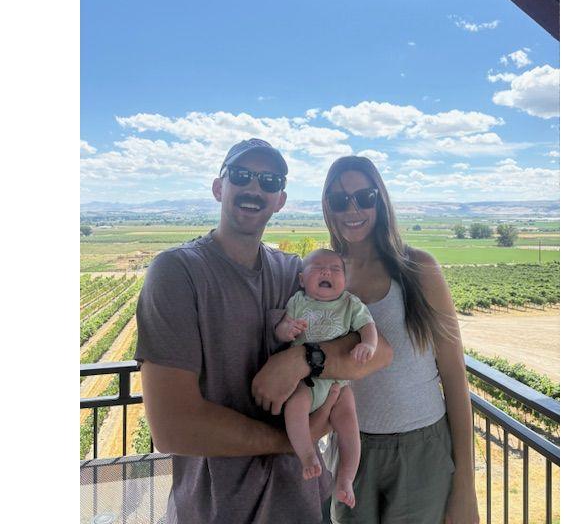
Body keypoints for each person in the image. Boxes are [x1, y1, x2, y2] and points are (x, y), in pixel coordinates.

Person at [134, 139, 393, 524]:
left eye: (269, 181)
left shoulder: (291, 273)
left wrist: (303, 359)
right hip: (215, 511)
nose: (254, 188)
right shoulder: (178, 273)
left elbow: (381, 351)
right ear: (219, 187)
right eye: (242, 176)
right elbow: (172, 428)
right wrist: (291, 442)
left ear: (280, 200)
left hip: (304, 502)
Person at [318, 156, 480, 524]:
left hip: (421, 451)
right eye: (340, 200)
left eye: (365, 197)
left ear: (381, 200)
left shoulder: (418, 269)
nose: (353, 209)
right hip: (351, 449)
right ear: (328, 206)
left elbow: (454, 377)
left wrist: (465, 486)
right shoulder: (324, 275)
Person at [274, 248, 378, 508]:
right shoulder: (298, 301)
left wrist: (368, 344)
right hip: (304, 381)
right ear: (301, 280)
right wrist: (286, 330)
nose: (326, 272)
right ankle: (307, 455)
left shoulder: (349, 303)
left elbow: (368, 326)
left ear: (345, 279)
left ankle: (345, 479)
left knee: (349, 425)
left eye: (335, 269)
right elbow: (281, 327)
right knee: (295, 406)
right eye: (318, 267)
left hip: (338, 382)